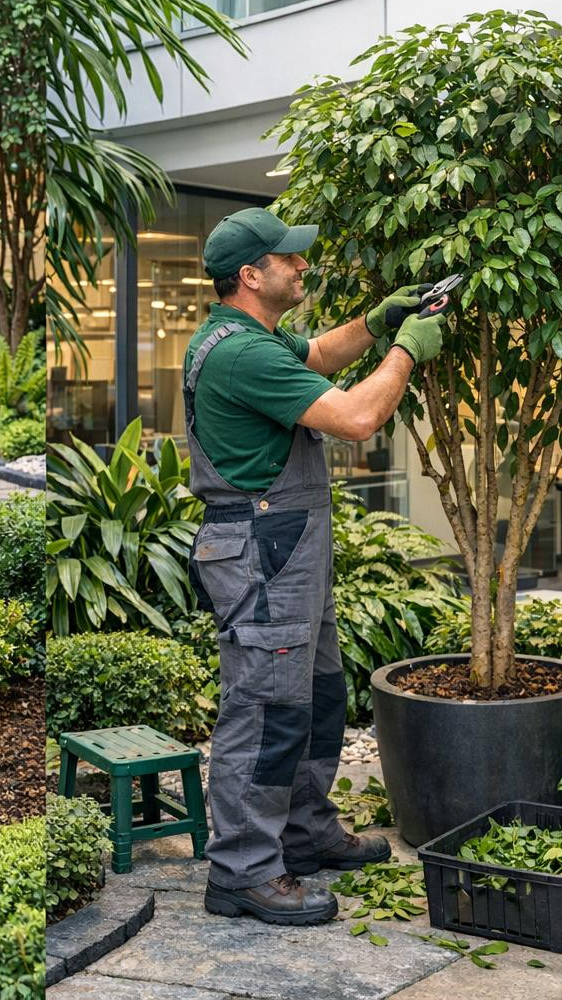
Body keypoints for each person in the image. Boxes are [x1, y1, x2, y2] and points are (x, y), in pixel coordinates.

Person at [185, 206, 448, 926]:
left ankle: (302, 831)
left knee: (316, 695)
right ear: (250, 275)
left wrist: (377, 321)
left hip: (288, 545)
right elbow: (360, 416)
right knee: (266, 707)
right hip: (264, 549)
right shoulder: (241, 353)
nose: (302, 267)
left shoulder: (253, 339)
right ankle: (242, 870)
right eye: (290, 259)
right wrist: (409, 350)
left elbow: (321, 359)